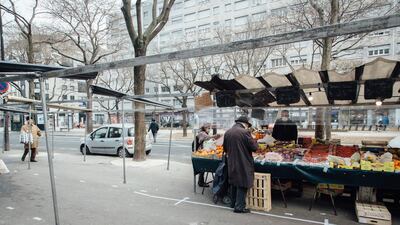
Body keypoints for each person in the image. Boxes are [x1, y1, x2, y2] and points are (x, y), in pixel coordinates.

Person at [223, 116, 258, 213]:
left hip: (232, 161)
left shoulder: (228, 132)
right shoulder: (245, 132)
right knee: (243, 183)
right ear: (245, 124)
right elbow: (254, 147)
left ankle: (233, 203)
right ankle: (239, 207)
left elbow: (225, 149)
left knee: (234, 182)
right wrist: (254, 139)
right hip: (243, 161)